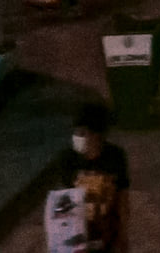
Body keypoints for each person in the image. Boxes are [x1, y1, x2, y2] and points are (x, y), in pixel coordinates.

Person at [57, 102, 130, 253]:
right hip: (79, 236)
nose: (77, 137)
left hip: (108, 232)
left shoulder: (115, 157)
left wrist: (123, 235)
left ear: (96, 135)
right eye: (75, 132)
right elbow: (65, 204)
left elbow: (122, 196)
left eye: (82, 133)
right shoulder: (68, 159)